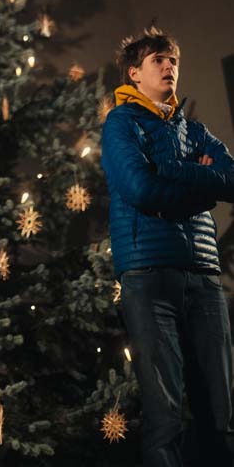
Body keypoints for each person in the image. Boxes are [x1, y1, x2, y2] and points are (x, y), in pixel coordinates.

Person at [101, 27, 234, 467]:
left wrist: (173, 168)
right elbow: (140, 188)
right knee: (167, 417)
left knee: (221, 414)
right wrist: (200, 180)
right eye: (158, 60)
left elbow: (231, 180)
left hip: (204, 276)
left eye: (173, 60)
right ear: (134, 73)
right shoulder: (121, 122)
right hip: (149, 275)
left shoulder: (195, 130)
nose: (169, 66)